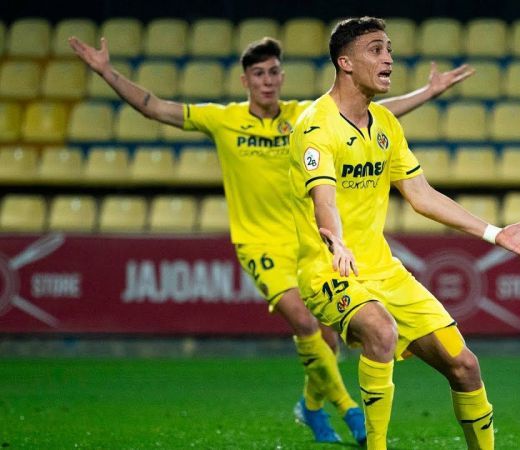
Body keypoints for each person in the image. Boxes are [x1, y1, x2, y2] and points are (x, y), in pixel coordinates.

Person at [68, 35, 473, 445]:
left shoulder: (305, 116)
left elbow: (372, 111)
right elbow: (153, 106)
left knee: (330, 338)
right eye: (258, 74)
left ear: (282, 77)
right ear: (245, 81)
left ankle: (311, 407)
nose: (267, 81)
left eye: (274, 72)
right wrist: (106, 71)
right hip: (260, 246)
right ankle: (350, 410)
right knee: (302, 318)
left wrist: (428, 91)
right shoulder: (223, 120)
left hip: (311, 243)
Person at [288, 17, 520, 450]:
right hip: (330, 269)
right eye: (376, 49)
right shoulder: (315, 127)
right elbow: (325, 198)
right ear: (346, 62)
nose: (389, 58)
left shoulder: (386, 126)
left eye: (389, 49)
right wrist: (335, 240)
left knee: (464, 366)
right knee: (380, 329)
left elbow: (421, 195)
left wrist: (494, 233)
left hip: (384, 271)